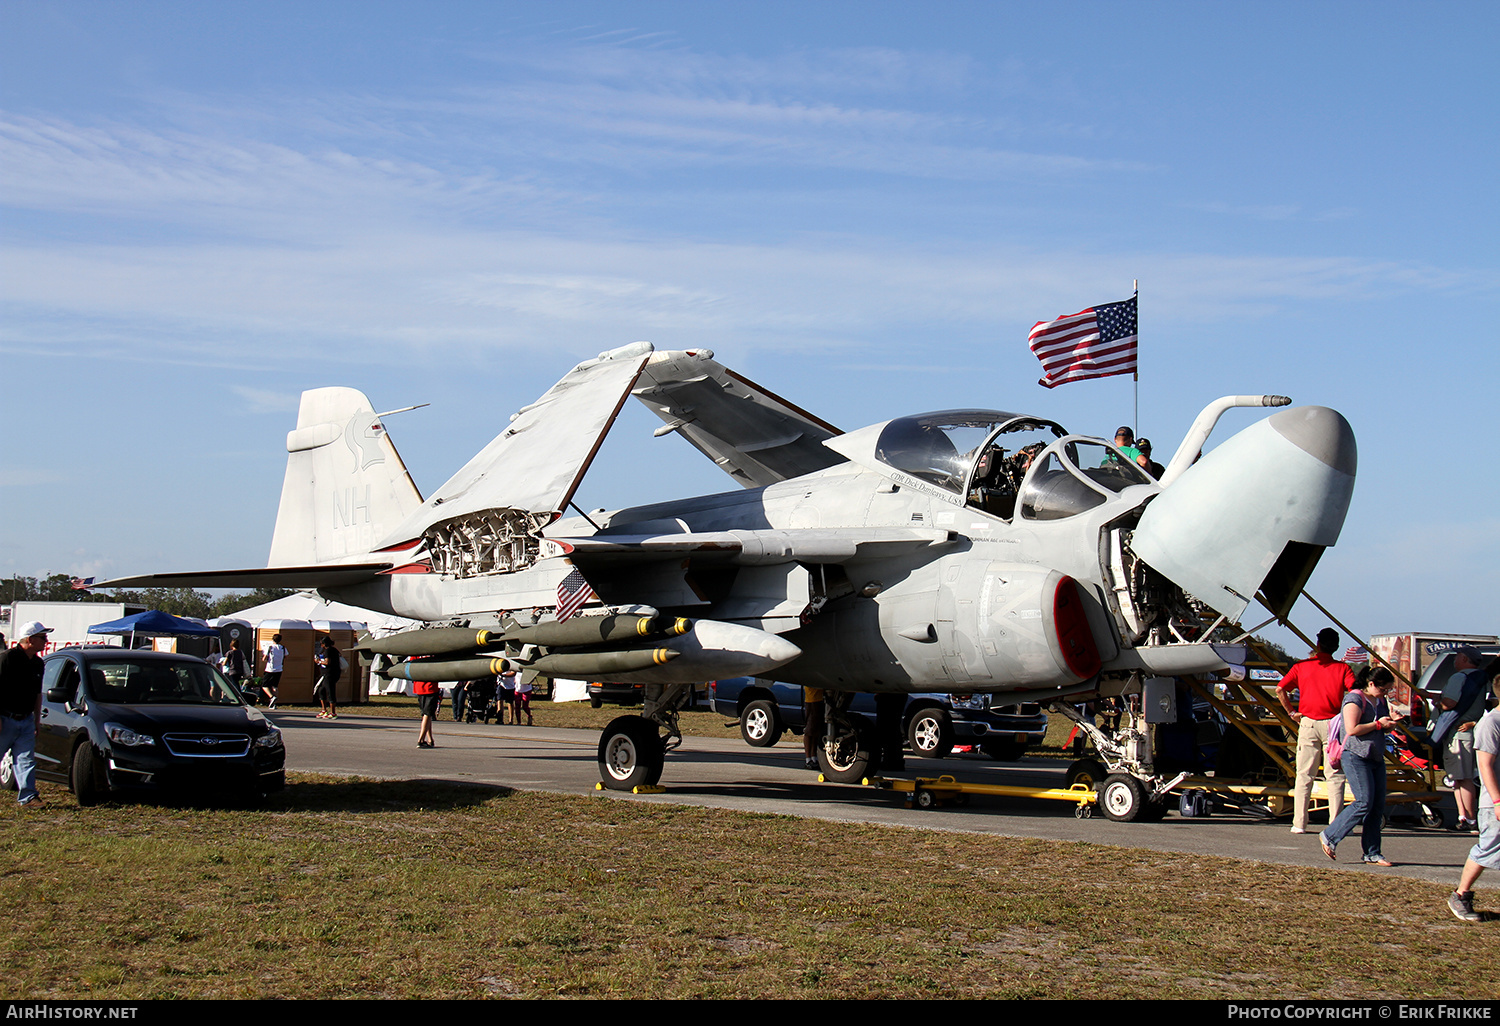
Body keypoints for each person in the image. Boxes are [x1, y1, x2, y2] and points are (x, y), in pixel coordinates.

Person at [1319, 667, 1401, 866]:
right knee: (1364, 801)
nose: (1386, 694)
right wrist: (1379, 725)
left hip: (1375, 756)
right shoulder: (1354, 699)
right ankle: (1330, 835)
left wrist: (1391, 723)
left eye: (1389, 690)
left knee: (1376, 805)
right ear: (1371, 684)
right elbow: (1352, 728)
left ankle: (1372, 853)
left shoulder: (1379, 700)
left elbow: (1381, 724)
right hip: (1355, 756)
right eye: (1384, 689)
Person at [1277, 627, 1354, 834]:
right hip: (1333, 724)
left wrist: (1292, 712)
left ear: (1318, 644)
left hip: (1308, 722)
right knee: (1335, 775)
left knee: (1304, 774)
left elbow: (1280, 689)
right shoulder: (1343, 668)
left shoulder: (1302, 666)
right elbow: (1354, 691)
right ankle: (1335, 824)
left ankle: (1299, 822)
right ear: (1336, 646)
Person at [1447, 671, 1500, 922]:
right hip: (1495, 802)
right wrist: (1497, 801)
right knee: (1487, 849)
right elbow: (1485, 765)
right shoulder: (1492, 723)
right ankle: (1460, 895)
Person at [1438, 646, 1489, 834]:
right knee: (1458, 778)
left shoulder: (1459, 677)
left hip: (1458, 732)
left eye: (1458, 656)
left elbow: (1449, 703)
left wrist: (1438, 702)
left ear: (1465, 659)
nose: (1455, 660)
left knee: (1463, 777)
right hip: (1468, 731)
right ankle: (1463, 817)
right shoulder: (1481, 678)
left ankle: (1469, 818)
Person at [0, 621, 51, 808]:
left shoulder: (38, 663)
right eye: (42, 638)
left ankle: (28, 797)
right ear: (29, 640)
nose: (46, 641)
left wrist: (36, 720)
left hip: (26, 720)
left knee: (26, 760)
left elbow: (37, 694)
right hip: (5, 719)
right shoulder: (7, 658)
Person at [314, 636, 341, 720]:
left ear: (323, 644)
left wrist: (318, 661)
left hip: (330, 674)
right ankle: (324, 710)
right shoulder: (334, 650)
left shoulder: (328, 651)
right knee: (321, 690)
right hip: (326, 674)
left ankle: (333, 712)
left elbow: (327, 662)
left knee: (330, 691)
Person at [259, 633, 286, 709]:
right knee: (275, 686)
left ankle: (271, 697)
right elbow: (286, 655)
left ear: (273, 639)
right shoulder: (283, 648)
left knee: (264, 685)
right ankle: (274, 704)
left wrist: (265, 658)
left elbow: (264, 658)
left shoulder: (270, 647)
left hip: (270, 669)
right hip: (279, 669)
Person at [802, 687, 826, 771]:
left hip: (819, 701)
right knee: (809, 731)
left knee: (816, 732)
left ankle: (813, 757)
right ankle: (808, 759)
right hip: (811, 701)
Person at [414, 676, 438, 748]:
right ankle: (421, 740)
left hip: (419, 687)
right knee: (427, 714)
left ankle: (430, 739)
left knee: (427, 715)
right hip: (430, 688)